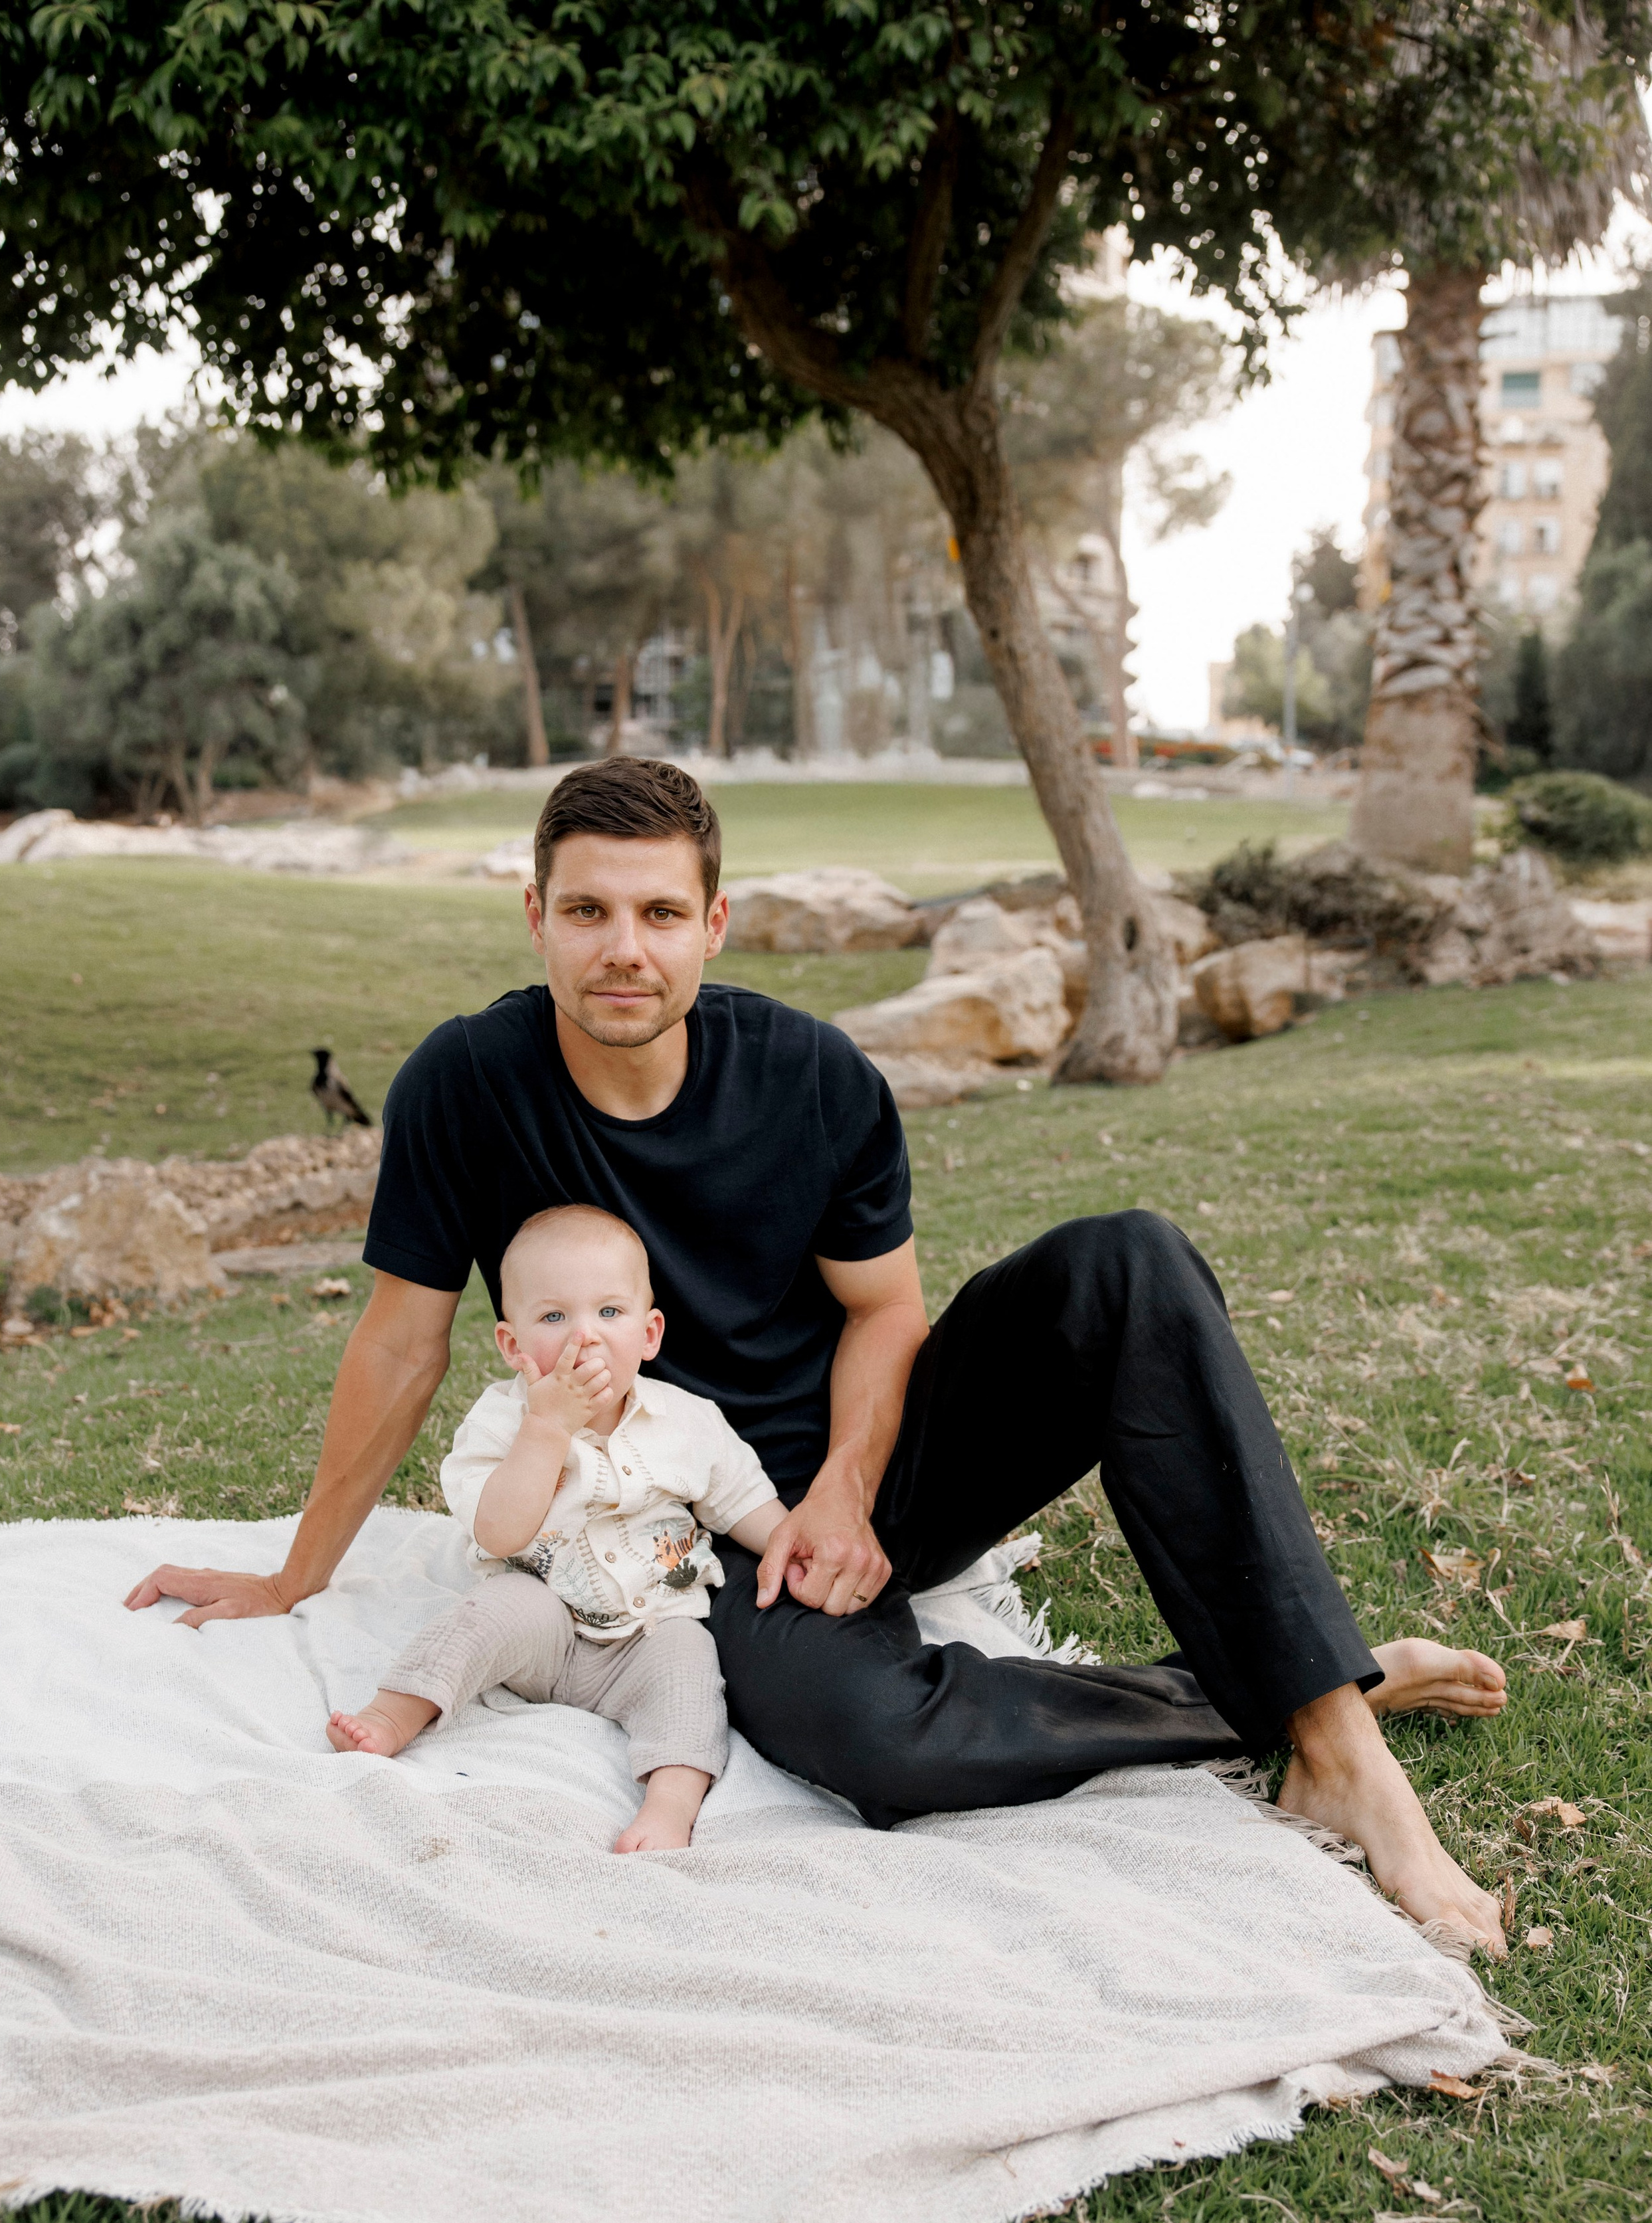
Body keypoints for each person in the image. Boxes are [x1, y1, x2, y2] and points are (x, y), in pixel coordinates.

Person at [127, 757, 1511, 1953]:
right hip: (679, 1529)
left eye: (661, 913)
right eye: (590, 911)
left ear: (713, 923)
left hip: (866, 1467)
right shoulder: (464, 1086)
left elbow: (885, 1311)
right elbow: (398, 1343)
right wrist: (293, 1573)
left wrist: (849, 1485)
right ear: (535, 917)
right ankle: (1300, 1677)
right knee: (880, 1747)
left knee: (1127, 1262)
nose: (626, 948)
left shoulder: (814, 1077)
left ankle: (1340, 1751)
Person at [325, 1202, 786, 1853]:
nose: (584, 1337)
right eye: (553, 1317)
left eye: (608, 1313)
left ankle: (670, 1806)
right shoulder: (499, 1424)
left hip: (647, 1633)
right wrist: (546, 1429)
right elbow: (500, 1533)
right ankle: (395, 1711)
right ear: (512, 1346)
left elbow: (741, 1500)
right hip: (540, 1632)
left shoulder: (688, 1421)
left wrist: (791, 1543)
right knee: (492, 1611)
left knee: (689, 1671)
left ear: (649, 1334)